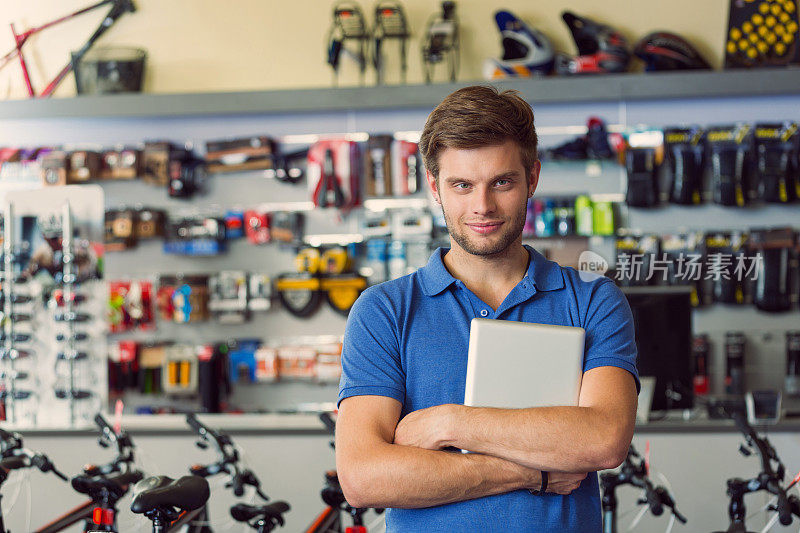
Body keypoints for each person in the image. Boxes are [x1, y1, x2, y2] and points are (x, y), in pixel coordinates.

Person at [336, 85, 639, 532]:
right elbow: (364, 477)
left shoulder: (593, 300)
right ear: (435, 186)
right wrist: (531, 474)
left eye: (502, 182)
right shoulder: (384, 311)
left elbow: (604, 440)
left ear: (531, 178)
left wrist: (447, 422)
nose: (483, 206)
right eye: (462, 185)